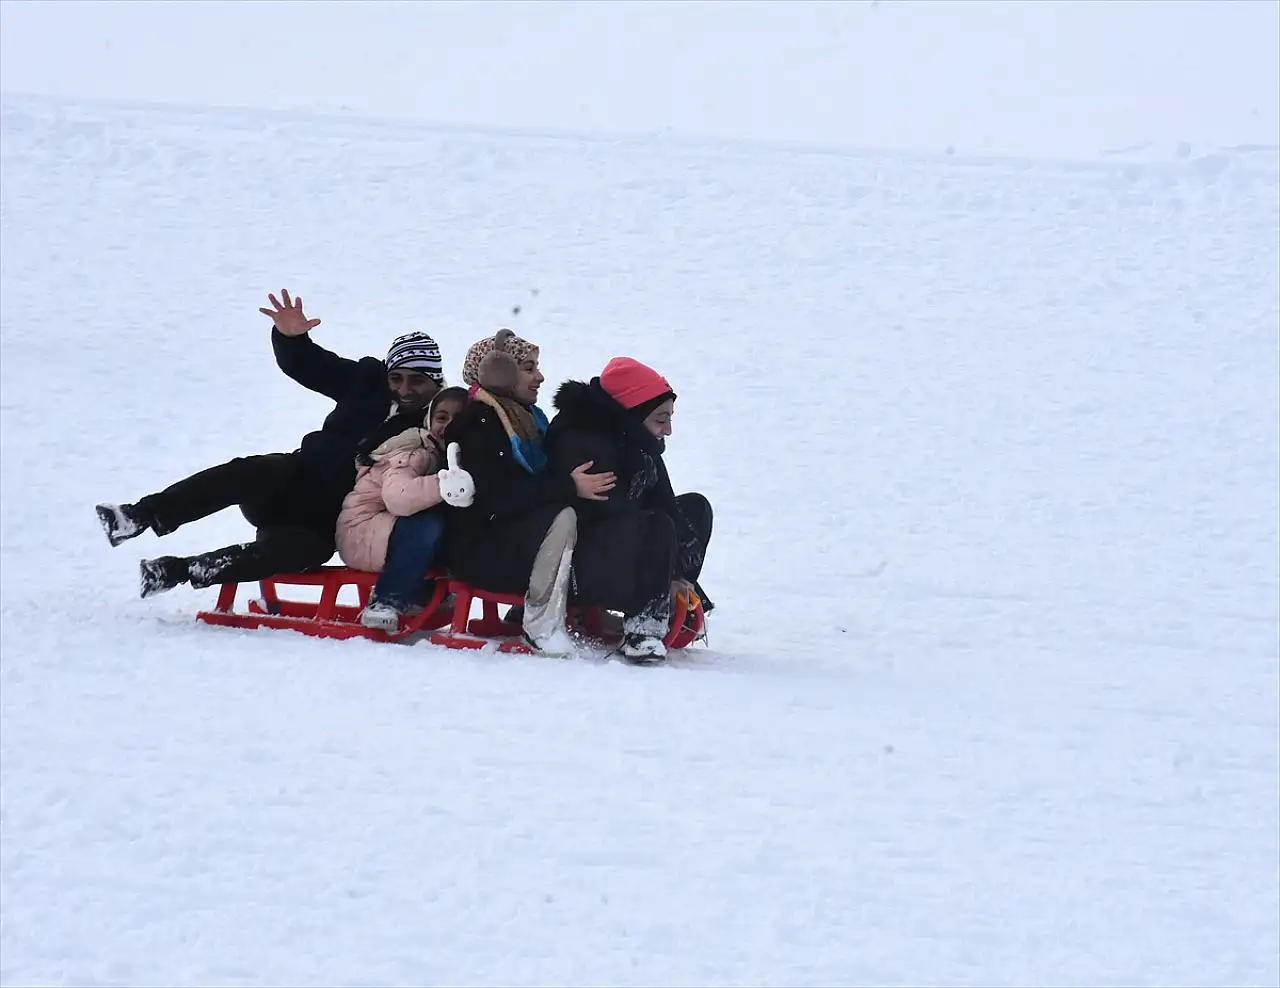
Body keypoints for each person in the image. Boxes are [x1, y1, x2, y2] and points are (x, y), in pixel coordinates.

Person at [94, 289, 448, 598]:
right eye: (396, 378)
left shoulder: (438, 421)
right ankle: (138, 516)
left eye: (417, 381)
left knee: (296, 551)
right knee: (254, 470)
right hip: (294, 480)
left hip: (329, 519)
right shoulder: (366, 382)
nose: (404, 389)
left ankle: (175, 571)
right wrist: (291, 339)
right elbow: (311, 366)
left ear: (435, 382)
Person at [438, 329, 614, 653]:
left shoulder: (528, 419)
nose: (540, 377)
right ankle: (541, 624)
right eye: (529, 368)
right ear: (501, 372)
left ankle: (584, 604)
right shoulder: (479, 423)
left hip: (511, 540)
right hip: (482, 553)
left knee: (579, 513)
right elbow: (501, 496)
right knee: (563, 515)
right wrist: (569, 485)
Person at [544, 356, 714, 662]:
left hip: (616, 546)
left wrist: (676, 570)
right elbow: (610, 511)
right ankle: (643, 630)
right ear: (633, 412)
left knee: (694, 508)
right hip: (578, 567)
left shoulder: (635, 439)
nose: (668, 430)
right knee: (657, 523)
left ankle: (674, 593)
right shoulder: (584, 438)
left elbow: (661, 501)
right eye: (661, 419)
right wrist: (664, 569)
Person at [335, 387, 469, 631]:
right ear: (429, 421)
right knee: (427, 525)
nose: (449, 425)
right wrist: (443, 484)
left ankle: (425, 593)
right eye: (442, 418)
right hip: (361, 531)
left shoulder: (449, 455)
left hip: (386, 530)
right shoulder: (416, 452)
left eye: (459, 419)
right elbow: (398, 498)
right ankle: (387, 600)